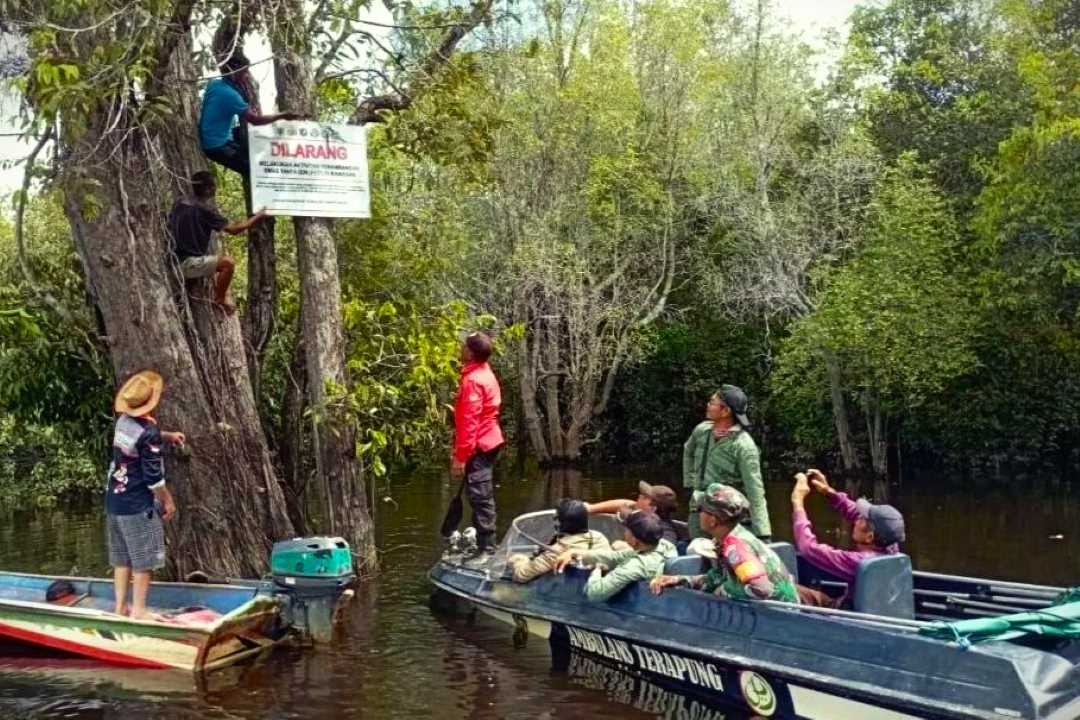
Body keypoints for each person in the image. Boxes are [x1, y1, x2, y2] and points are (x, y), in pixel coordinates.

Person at [106, 370, 183, 619]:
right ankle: (139, 611)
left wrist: (166, 436)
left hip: (114, 500)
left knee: (122, 559)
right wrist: (167, 500)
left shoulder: (122, 422)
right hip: (138, 503)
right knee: (143, 560)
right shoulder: (147, 432)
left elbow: (138, 439)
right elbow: (153, 479)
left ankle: (119, 608)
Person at [650, 483, 798, 603]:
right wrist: (678, 580)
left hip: (780, 618)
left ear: (713, 520)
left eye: (700, 509)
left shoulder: (736, 547)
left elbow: (762, 589)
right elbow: (715, 578)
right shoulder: (727, 540)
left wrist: (722, 591)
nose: (697, 513)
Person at [790, 469, 906, 606]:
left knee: (789, 589)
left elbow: (808, 548)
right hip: (873, 608)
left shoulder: (858, 562)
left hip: (846, 614)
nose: (856, 520)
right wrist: (829, 492)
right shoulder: (891, 545)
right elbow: (854, 512)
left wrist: (798, 503)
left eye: (862, 519)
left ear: (869, 537)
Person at [167, 171, 267, 314]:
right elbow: (234, 230)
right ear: (208, 188)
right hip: (186, 264)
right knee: (228, 263)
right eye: (214, 186)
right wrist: (259, 216)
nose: (216, 188)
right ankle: (220, 299)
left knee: (218, 260)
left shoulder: (179, 202)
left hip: (173, 258)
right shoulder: (205, 209)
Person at [682, 385, 771, 541]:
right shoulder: (702, 431)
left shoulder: (743, 445)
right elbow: (688, 451)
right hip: (698, 509)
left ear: (725, 411)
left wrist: (763, 533)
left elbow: (755, 491)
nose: (708, 405)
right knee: (697, 553)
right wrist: (690, 483)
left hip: (725, 518)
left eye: (712, 402)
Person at [199, 51, 304, 177]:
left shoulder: (215, 84)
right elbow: (255, 120)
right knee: (255, 169)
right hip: (216, 145)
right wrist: (282, 116)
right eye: (244, 72)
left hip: (221, 134)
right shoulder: (230, 95)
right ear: (233, 73)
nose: (246, 76)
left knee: (260, 137)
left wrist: (242, 85)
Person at [451, 331, 505, 558]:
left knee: (480, 496)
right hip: (488, 439)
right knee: (477, 494)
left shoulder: (474, 380)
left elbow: (468, 422)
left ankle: (488, 548)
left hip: (481, 443)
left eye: (464, 346)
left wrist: (460, 457)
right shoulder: (483, 371)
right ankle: (485, 544)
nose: (461, 348)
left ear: (471, 352)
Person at [555, 511, 668, 603]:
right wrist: (575, 552)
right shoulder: (663, 545)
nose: (624, 532)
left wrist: (596, 571)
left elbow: (594, 594)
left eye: (627, 530)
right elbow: (614, 557)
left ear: (634, 540)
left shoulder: (634, 567)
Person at [507, 499, 611, 583]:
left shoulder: (557, 550)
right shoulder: (599, 536)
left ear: (560, 523)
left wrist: (517, 559)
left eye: (556, 518)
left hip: (569, 593)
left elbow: (522, 575)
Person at [585, 481, 683, 543]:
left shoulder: (665, 532)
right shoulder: (638, 516)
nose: (639, 497)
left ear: (653, 508)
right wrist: (591, 508)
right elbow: (626, 504)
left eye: (644, 497)